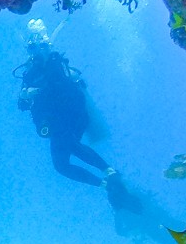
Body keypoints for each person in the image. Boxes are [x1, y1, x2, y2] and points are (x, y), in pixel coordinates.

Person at [17, 40, 141, 212]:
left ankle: (109, 174)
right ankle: (107, 180)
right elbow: (22, 105)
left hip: (67, 114)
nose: (35, 53)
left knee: (68, 145)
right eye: (31, 49)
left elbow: (62, 89)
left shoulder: (54, 64)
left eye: (37, 48)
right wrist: (24, 95)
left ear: (45, 47)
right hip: (57, 122)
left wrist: (37, 92)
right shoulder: (29, 74)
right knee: (61, 164)